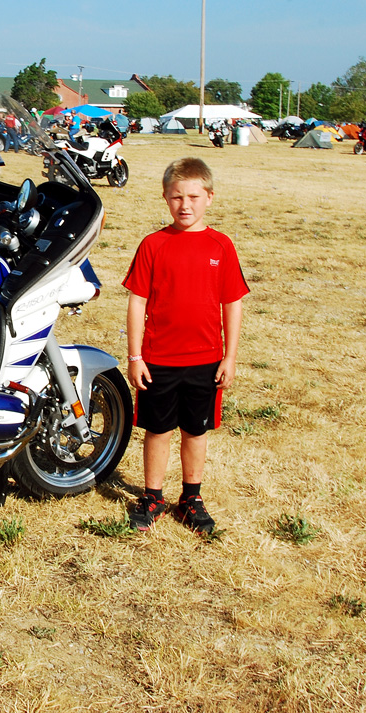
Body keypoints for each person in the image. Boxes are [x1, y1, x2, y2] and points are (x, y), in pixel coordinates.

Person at [122, 157, 248, 533]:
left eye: (194, 196)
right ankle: (153, 495)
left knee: (196, 430)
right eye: (177, 197)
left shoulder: (221, 246)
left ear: (209, 197)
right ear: (165, 198)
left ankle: (191, 496)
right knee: (157, 430)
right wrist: (135, 356)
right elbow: (137, 302)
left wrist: (230, 357)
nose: (185, 205)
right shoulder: (154, 245)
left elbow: (233, 303)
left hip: (205, 361)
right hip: (158, 360)